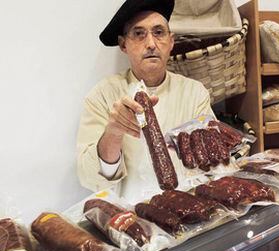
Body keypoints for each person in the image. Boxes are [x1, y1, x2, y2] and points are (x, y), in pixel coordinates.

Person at [77, 0, 214, 203]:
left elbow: (212, 162)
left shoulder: (194, 93)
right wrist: (113, 133)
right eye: (139, 34)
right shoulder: (102, 95)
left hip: (190, 206)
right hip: (130, 215)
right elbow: (88, 177)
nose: (151, 43)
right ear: (124, 44)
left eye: (159, 32)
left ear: (171, 41)